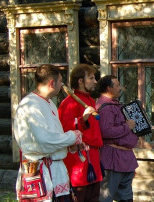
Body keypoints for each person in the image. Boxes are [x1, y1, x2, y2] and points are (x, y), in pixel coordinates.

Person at [13, 64, 83, 201]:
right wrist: (72, 136)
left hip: (57, 173)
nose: (62, 84)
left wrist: (69, 146)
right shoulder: (30, 105)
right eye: (60, 81)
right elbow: (44, 140)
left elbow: (53, 137)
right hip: (39, 173)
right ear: (52, 83)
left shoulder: (49, 103)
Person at [58, 64, 103, 201]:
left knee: (94, 197)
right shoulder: (68, 103)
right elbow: (64, 131)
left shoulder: (90, 100)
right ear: (80, 81)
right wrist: (83, 118)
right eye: (91, 78)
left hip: (93, 158)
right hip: (79, 159)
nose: (95, 81)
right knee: (79, 197)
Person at [96, 75, 138, 202]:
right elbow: (106, 131)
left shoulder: (116, 105)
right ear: (109, 88)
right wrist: (127, 127)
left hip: (125, 159)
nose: (121, 88)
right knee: (105, 198)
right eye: (118, 85)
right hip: (112, 159)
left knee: (126, 198)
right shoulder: (105, 108)